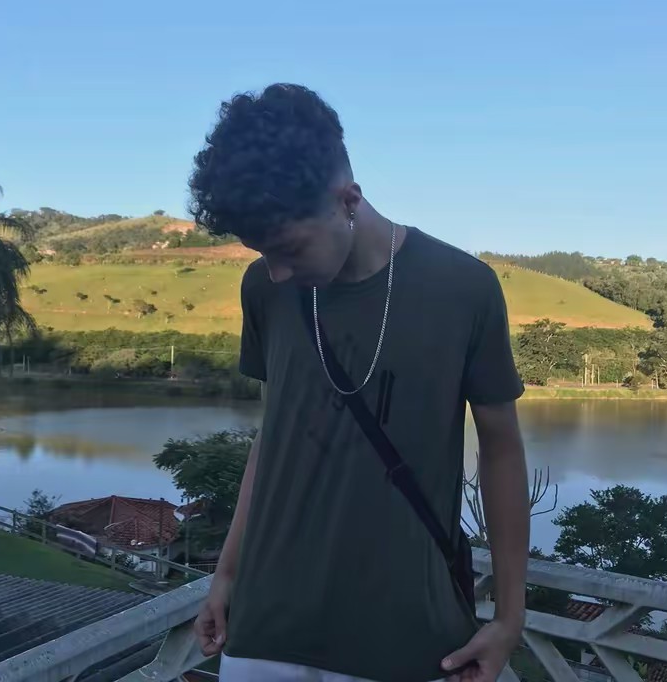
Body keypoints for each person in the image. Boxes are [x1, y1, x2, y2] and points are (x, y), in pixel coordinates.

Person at [190, 83, 530, 682]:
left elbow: (501, 449)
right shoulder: (265, 289)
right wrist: (227, 574)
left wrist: (509, 617)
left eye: (290, 249)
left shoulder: (464, 289)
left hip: (408, 641)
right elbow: (274, 438)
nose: (277, 272)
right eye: (261, 252)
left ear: (348, 200)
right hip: (263, 633)